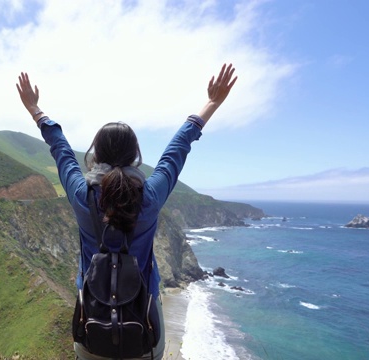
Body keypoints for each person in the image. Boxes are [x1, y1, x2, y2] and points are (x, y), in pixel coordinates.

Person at [16, 64, 237, 359]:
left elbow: (61, 150)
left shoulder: (82, 194)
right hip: (143, 329)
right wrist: (211, 103)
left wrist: (35, 109)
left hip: (91, 328)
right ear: (135, 155)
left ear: (96, 155)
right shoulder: (150, 196)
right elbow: (178, 148)